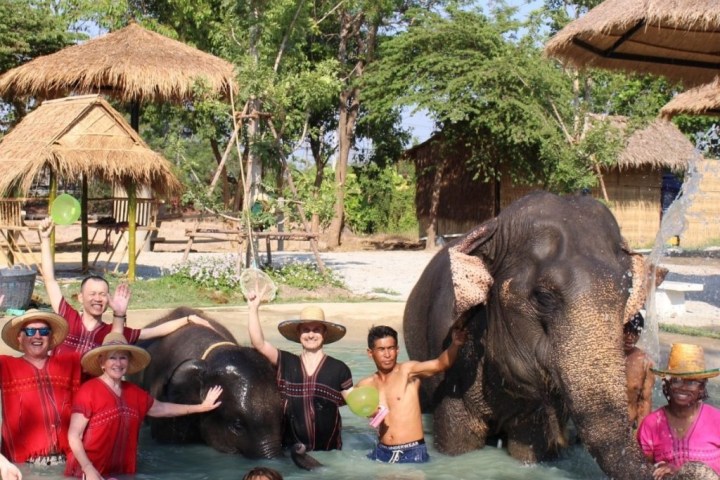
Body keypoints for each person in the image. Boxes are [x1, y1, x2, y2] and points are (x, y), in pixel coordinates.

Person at [39, 217, 212, 356]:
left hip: (91, 397)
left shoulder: (113, 332)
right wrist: (45, 239)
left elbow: (152, 332)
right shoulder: (68, 317)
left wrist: (188, 319)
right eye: (92, 294)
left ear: (108, 299)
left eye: (102, 294)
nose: (98, 298)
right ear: (80, 297)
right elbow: (49, 280)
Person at [64, 333, 223, 479]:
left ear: (129, 362)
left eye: (123, 358)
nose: (118, 363)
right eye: (112, 358)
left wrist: (201, 407)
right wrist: (88, 468)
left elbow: (162, 409)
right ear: (102, 362)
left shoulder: (135, 393)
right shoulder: (88, 391)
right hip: (87, 473)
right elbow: (74, 436)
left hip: (122, 472)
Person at [247, 291, 353, 451]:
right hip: (290, 452)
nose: (311, 334)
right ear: (299, 334)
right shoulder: (286, 362)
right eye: (306, 330)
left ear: (324, 333)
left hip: (328, 454)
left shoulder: (339, 369)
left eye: (316, 329)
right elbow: (259, 344)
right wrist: (253, 308)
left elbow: (353, 400)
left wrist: (373, 411)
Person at [358, 324, 467, 464]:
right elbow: (348, 399)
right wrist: (368, 411)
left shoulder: (408, 371)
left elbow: (440, 364)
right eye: (381, 349)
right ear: (370, 352)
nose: (387, 354)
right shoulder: (366, 384)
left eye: (391, 348)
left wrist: (455, 344)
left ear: (397, 350)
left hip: (411, 451)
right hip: (381, 451)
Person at [0, 308, 81, 464]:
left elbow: (110, 362)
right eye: (30, 331)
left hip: (66, 461)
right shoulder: (6, 365)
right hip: (21, 465)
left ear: (50, 337)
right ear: (19, 337)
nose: (37, 335)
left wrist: (119, 316)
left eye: (44, 331)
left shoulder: (70, 363)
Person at [638, 343, 720, 479]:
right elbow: (641, 467)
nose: (683, 387)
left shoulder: (716, 420)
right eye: (676, 380)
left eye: (692, 382)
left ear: (702, 387)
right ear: (666, 383)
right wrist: (661, 467)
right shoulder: (651, 423)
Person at [624, 312, 654, 428]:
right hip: (599, 426)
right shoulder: (603, 356)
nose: (630, 337)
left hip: (627, 427)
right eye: (626, 330)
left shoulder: (645, 362)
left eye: (636, 332)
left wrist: (642, 434)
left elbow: (645, 401)